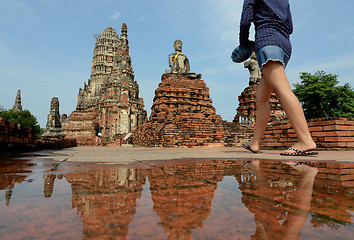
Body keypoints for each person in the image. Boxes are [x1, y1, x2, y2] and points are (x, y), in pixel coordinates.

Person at [238, 0, 318, 156]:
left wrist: (244, 43)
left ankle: (306, 140)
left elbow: (245, 19)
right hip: (284, 44)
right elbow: (290, 26)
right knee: (262, 98)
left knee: (282, 89)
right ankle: (255, 142)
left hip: (267, 41)